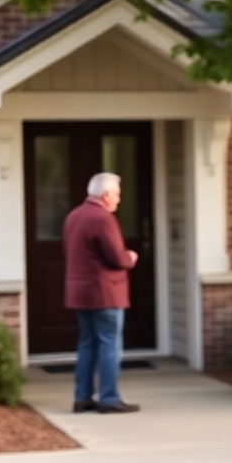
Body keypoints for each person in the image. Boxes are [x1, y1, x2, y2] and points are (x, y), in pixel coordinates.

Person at [62, 172, 140, 414]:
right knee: (109, 345)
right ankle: (108, 398)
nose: (119, 200)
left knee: (87, 344)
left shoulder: (74, 216)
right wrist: (130, 257)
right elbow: (116, 257)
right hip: (104, 293)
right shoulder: (103, 219)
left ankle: (82, 397)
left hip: (79, 292)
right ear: (106, 195)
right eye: (117, 194)